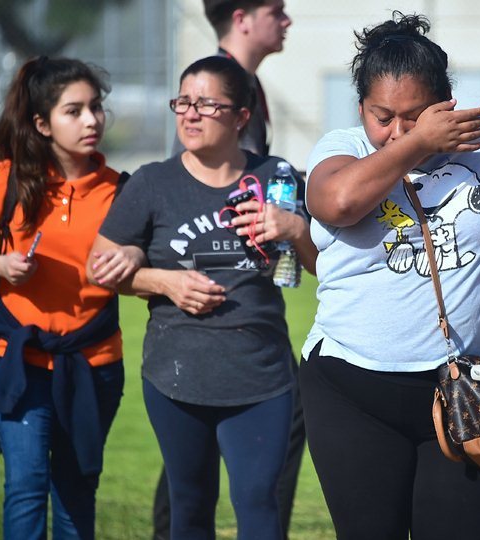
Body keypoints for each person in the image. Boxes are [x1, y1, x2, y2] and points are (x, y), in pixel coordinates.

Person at [299, 13, 480, 539]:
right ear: (361, 110)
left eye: (415, 117)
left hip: (465, 391)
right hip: (352, 388)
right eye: (383, 117)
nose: (396, 130)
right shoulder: (342, 148)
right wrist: (419, 142)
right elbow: (338, 202)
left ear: (445, 104)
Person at [89, 55, 316, 540]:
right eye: (183, 102)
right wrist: (164, 282)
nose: (190, 114)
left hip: (261, 377)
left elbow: (321, 267)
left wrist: (296, 229)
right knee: (190, 505)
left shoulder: (275, 176)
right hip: (176, 376)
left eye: (207, 104)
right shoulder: (151, 182)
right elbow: (100, 268)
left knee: (259, 503)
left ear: (241, 117)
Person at [0, 56, 140, 539]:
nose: (91, 120)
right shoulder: (9, 178)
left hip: (95, 363)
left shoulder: (122, 189)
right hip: (19, 359)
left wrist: (133, 255)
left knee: (76, 491)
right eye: (74, 111)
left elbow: (144, 264)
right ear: (42, 124)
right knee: (26, 486)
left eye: (96, 107)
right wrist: (1, 265)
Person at [154, 2, 302, 538]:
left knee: (202, 465)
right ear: (241, 17)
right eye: (276, 11)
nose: (287, 21)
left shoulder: (247, 87)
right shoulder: (216, 91)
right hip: (218, 303)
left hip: (250, 299)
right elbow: (201, 188)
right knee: (192, 468)